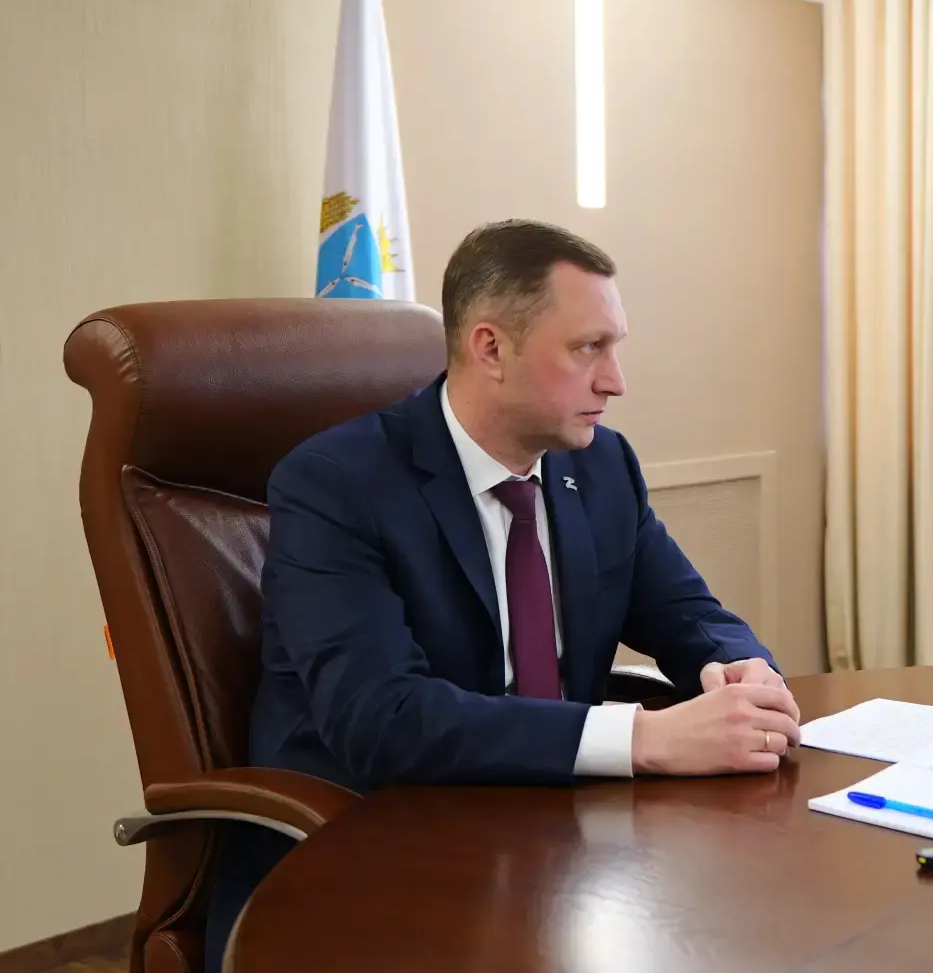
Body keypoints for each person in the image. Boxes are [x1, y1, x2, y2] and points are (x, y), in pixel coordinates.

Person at [204, 220, 800, 971]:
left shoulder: (601, 466)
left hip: (551, 844)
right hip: (371, 852)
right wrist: (644, 739)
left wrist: (742, 671)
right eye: (588, 348)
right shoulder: (336, 485)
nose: (615, 381)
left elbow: (688, 613)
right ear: (490, 348)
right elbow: (381, 721)